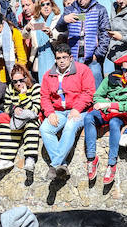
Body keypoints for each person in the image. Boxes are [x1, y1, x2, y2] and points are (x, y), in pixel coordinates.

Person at [82, 54, 127, 184]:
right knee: (89, 117)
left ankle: (112, 164)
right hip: (107, 111)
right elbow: (97, 96)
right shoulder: (112, 78)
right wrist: (109, 107)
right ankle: (91, 158)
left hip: (123, 115)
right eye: (124, 70)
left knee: (114, 123)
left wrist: (109, 104)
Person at [39, 43, 96, 178]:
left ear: (71, 58)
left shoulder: (83, 70)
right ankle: (62, 165)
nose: (62, 61)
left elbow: (89, 92)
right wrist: (50, 113)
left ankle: (54, 165)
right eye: (59, 58)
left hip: (80, 111)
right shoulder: (48, 75)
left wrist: (77, 109)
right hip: (58, 111)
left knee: (70, 126)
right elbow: (44, 97)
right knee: (45, 129)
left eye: (64, 57)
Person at [56, 0, 110, 86]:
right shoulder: (70, 9)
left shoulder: (100, 9)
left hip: (93, 58)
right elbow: (59, 28)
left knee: (95, 87)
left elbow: (105, 33)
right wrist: (64, 20)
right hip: (74, 58)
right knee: (76, 88)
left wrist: (98, 54)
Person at [0, 64, 42, 173]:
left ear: (26, 77)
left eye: (21, 80)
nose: (18, 84)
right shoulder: (10, 88)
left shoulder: (35, 87)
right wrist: (14, 109)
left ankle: (30, 158)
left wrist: (23, 96)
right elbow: (6, 107)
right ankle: (6, 159)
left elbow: (35, 110)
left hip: (32, 119)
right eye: (15, 81)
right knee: (5, 125)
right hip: (16, 120)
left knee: (31, 125)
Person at [25, 0, 61, 81]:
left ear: (52, 5)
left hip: (55, 55)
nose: (46, 7)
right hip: (40, 57)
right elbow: (25, 36)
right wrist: (27, 28)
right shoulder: (35, 21)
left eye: (48, 4)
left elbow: (63, 34)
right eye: (42, 5)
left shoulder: (58, 18)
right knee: (43, 83)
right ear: (39, 8)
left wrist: (51, 34)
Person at [0, 13, 26, 82]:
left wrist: (20, 74)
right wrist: (2, 81)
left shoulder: (14, 32)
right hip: (2, 69)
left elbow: (21, 55)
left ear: (3, 24)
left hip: (16, 67)